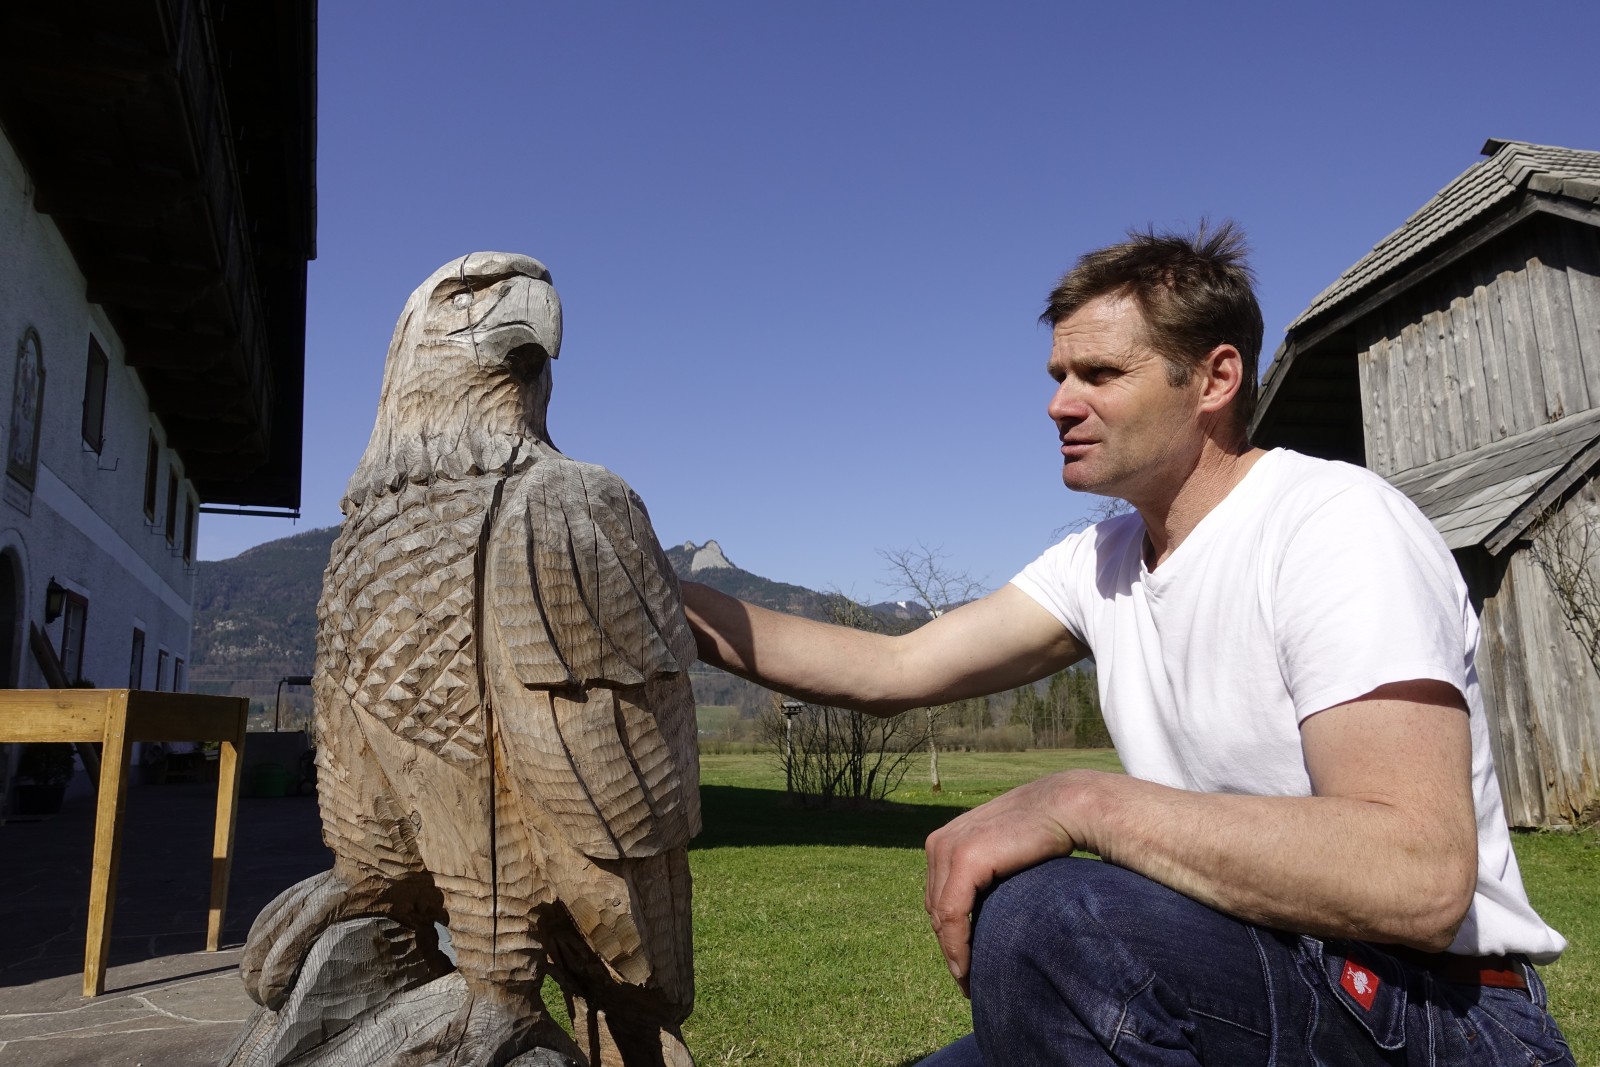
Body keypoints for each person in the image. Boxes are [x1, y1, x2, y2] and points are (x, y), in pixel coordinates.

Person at [682, 223, 1573, 1065]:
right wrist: (645, 588)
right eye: (1059, 372)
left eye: (1100, 373)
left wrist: (1083, 802)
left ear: (1215, 379)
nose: (1059, 403)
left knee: (1052, 917)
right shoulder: (1100, 564)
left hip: (1438, 1014)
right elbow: (893, 666)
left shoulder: (1333, 526)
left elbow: (1415, 874)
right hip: (1250, 977)